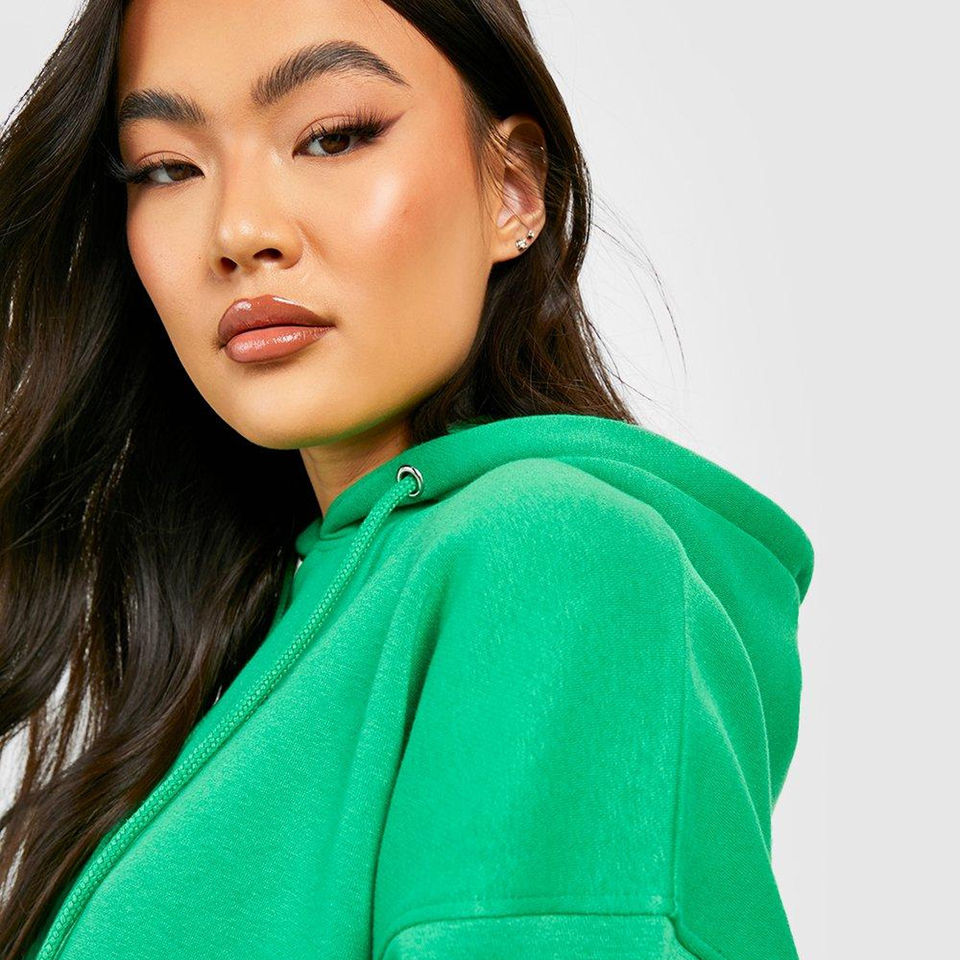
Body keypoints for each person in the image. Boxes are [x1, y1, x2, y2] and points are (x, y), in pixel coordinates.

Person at [0, 1, 815, 958]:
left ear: (512, 186)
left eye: (333, 135)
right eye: (167, 167)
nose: (240, 229)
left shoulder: (556, 558)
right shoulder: (263, 632)